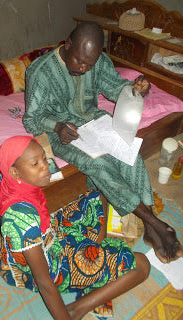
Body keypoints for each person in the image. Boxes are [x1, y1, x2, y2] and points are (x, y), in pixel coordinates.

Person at [23, 21, 182, 263]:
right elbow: (32, 120)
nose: (85, 68)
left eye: (90, 63)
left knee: (129, 150)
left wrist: (135, 88)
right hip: (62, 131)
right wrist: (57, 126)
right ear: (68, 45)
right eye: (79, 61)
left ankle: (149, 224)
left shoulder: (97, 63)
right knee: (100, 164)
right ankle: (154, 224)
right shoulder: (40, 72)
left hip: (93, 120)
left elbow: (116, 87)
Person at [0, 135, 150, 320]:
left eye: (44, 158)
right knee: (141, 265)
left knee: (98, 196)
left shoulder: (12, 183)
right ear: (16, 173)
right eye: (35, 164)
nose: (46, 166)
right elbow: (44, 281)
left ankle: (95, 252)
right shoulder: (22, 220)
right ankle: (76, 309)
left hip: (48, 234)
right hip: (49, 267)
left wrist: (9, 165)